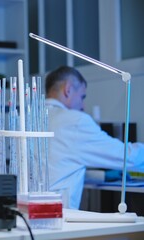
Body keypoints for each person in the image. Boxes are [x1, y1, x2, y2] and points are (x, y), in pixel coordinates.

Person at [45, 66, 144, 209]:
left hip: (24, 213)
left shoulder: (26, 118)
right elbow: (127, 157)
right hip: (57, 216)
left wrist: (102, 176)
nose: (83, 106)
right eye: (82, 97)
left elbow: (57, 170)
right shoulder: (75, 121)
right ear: (68, 89)